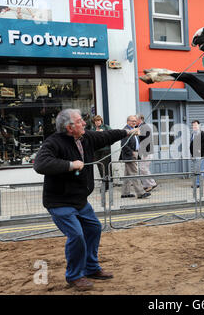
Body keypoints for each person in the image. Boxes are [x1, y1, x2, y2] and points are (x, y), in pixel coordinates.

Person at [33, 108, 139, 291]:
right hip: (59, 201)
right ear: (69, 127)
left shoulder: (86, 137)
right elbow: (40, 164)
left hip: (80, 200)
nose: (84, 123)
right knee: (76, 235)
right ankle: (74, 276)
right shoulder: (53, 143)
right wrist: (70, 165)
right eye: (80, 121)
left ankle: (91, 268)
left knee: (94, 228)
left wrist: (127, 131)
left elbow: (106, 136)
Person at [119, 115, 151, 199]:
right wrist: (132, 153)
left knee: (127, 175)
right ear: (127, 121)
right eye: (132, 121)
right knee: (134, 174)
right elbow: (123, 145)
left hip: (135, 154)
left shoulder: (135, 129)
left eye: (135, 121)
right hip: (130, 155)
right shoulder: (126, 130)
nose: (134, 122)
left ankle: (125, 193)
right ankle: (140, 193)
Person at [136, 113, 157, 192]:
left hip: (147, 151)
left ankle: (152, 183)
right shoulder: (140, 126)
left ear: (140, 119)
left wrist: (138, 132)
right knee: (142, 169)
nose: (135, 121)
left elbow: (145, 139)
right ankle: (145, 185)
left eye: (136, 120)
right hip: (143, 151)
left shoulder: (145, 127)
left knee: (144, 168)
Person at [91, 115, 111, 191]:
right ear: (94, 122)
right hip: (96, 151)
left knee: (105, 167)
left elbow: (112, 134)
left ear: (101, 121)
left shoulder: (106, 127)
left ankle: (106, 185)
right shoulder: (92, 129)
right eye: (96, 121)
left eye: (99, 121)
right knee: (100, 167)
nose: (97, 122)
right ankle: (105, 184)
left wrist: (104, 132)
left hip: (105, 149)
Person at [190, 120, 204, 188]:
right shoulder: (193, 133)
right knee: (199, 169)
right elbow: (192, 144)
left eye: (195, 125)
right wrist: (192, 154)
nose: (194, 126)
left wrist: (199, 150)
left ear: (199, 125)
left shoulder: (202, 133)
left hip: (200, 154)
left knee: (198, 169)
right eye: (193, 125)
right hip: (194, 154)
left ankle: (197, 184)